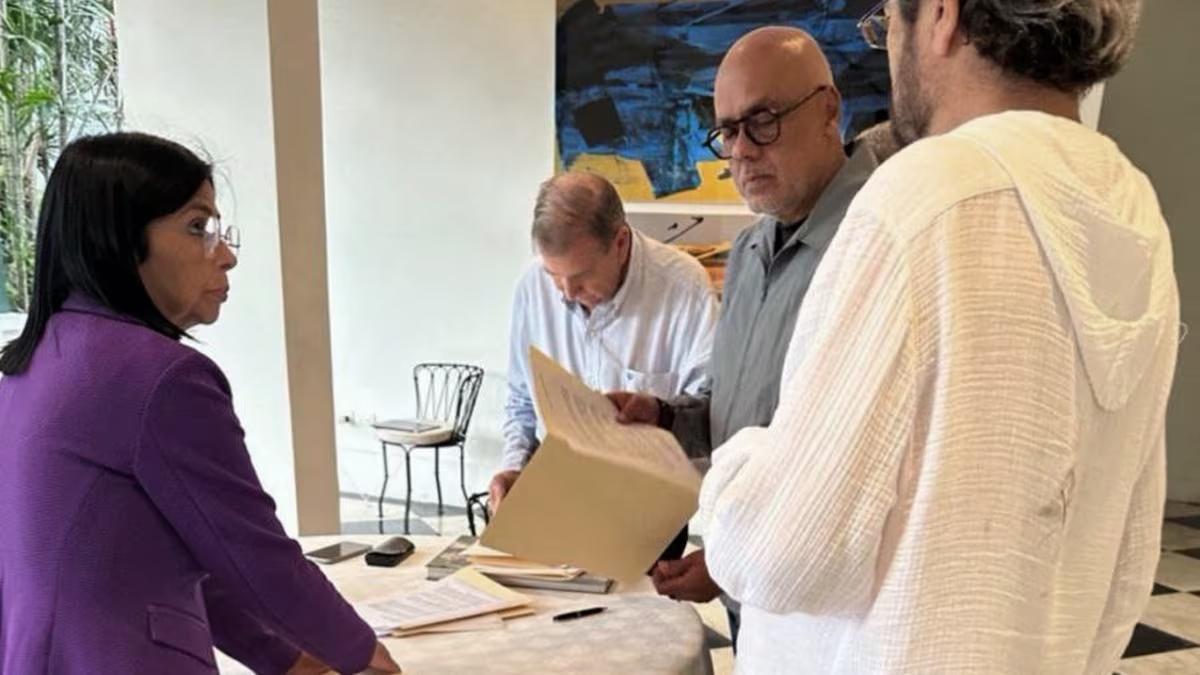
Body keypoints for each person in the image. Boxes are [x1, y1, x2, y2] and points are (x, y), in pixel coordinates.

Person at [698, 0, 1179, 672]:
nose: (890, 46)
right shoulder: (1132, 207)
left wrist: (734, 468)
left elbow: (783, 552)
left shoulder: (923, 199)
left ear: (943, 15)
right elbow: (1127, 558)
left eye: (890, 20)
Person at [0, 132, 400, 674]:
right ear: (119, 237)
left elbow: (190, 556)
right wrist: (360, 654)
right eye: (198, 227)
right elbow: (255, 556)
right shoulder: (159, 376)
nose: (227, 255)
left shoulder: (37, 360)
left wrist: (284, 658)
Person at [606, 26, 892, 639]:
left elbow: (849, 464)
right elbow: (747, 414)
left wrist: (733, 559)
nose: (741, 150)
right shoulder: (750, 249)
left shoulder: (876, 242)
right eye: (727, 131)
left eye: (762, 120)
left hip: (827, 609)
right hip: (753, 590)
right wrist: (662, 416)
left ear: (829, 111)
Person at [489, 172, 718, 530]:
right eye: (554, 275)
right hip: (559, 498)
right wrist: (514, 467)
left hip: (650, 515)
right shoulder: (532, 286)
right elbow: (521, 401)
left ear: (621, 243)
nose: (565, 292)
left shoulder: (684, 288)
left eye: (581, 276)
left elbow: (707, 420)